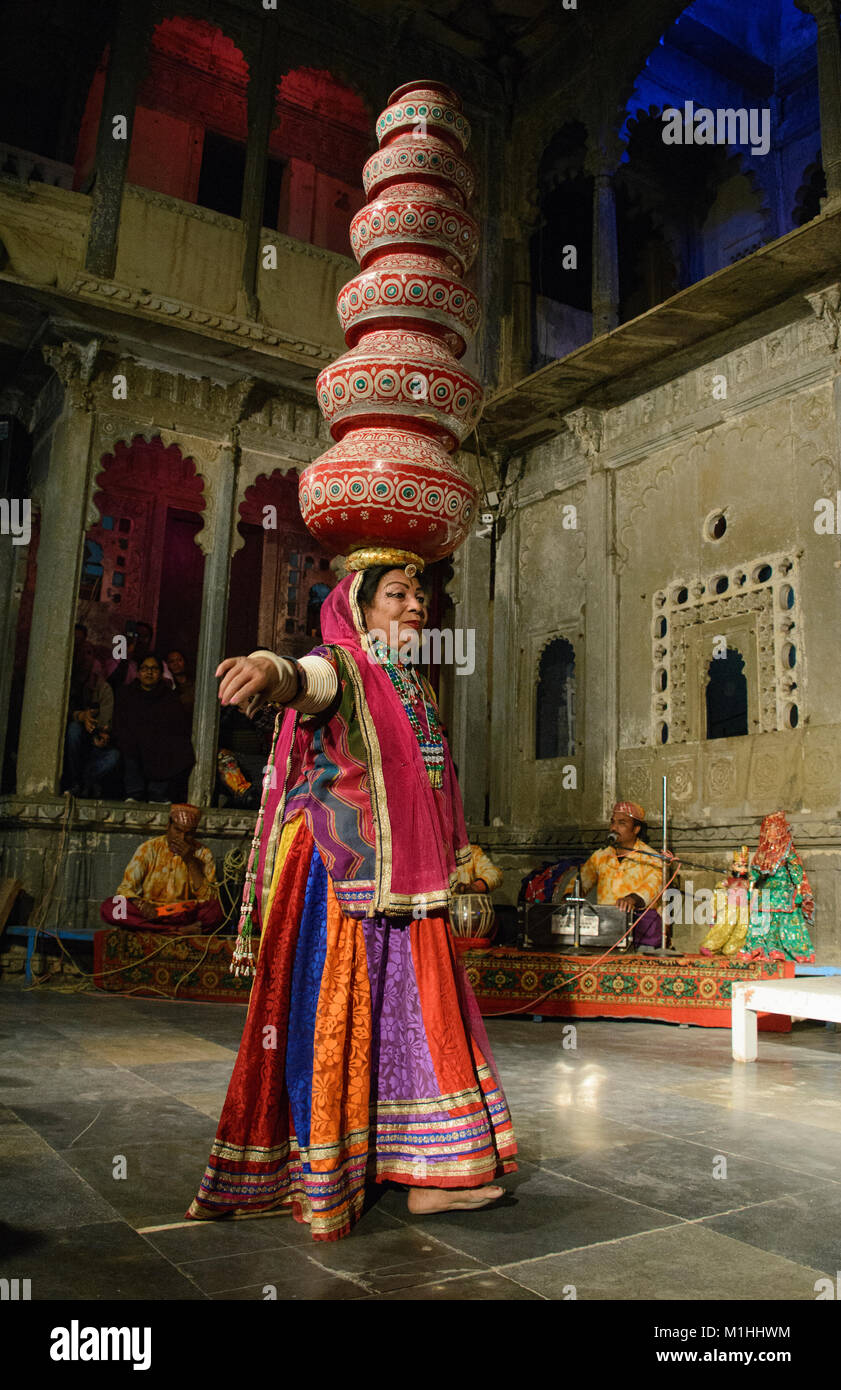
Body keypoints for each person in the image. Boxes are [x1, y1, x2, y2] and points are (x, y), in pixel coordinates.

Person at [187, 564, 516, 1241]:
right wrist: (267, 667)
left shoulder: (413, 686)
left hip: (410, 883)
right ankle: (346, 1166)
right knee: (347, 1020)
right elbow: (304, 683)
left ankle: (425, 1170)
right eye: (397, 595)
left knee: (411, 1021)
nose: (415, 605)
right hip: (349, 881)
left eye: (419, 594)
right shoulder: (342, 662)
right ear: (360, 612)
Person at [100, 803, 223, 931]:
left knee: (215, 911)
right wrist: (142, 905)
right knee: (111, 907)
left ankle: (157, 929)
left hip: (184, 913)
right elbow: (125, 888)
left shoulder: (203, 853)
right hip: (150, 912)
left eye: (189, 834)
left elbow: (209, 897)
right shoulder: (149, 848)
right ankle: (175, 930)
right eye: (178, 830)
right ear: (168, 827)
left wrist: (190, 861)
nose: (182, 838)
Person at [565, 800, 664, 948]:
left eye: (622, 823)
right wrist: (569, 896)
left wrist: (632, 899)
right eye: (613, 822)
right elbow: (580, 881)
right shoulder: (601, 856)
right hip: (605, 930)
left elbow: (653, 887)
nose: (614, 828)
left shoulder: (652, 858)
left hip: (639, 932)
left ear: (636, 829)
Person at [113, 653, 195, 801]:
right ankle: (134, 792)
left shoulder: (169, 696)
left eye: (154, 669)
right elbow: (120, 723)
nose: (149, 672)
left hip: (160, 742)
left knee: (177, 747)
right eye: (145, 668)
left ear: (161, 673)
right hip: (134, 741)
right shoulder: (126, 694)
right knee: (128, 744)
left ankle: (157, 793)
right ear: (138, 672)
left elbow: (177, 725)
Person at [740, 811, 815, 963]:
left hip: (784, 889)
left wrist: (799, 890)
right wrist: (749, 889)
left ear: (780, 829)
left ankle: (781, 950)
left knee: (779, 905)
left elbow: (796, 872)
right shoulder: (763, 852)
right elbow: (754, 873)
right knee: (762, 905)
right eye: (767, 829)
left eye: (773, 828)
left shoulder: (787, 850)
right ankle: (760, 948)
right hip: (766, 890)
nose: (769, 832)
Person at [63, 636, 121, 797]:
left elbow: (105, 722)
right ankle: (75, 782)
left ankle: (84, 782)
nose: (84, 657)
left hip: (93, 744)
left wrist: (101, 733)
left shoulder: (102, 687)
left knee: (113, 756)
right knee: (74, 730)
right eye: (80, 652)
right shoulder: (65, 681)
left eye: (88, 652)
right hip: (70, 744)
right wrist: (80, 716)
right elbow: (60, 711)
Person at [699, 846, 751, 957]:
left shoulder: (748, 882)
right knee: (724, 928)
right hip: (730, 908)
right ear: (733, 866)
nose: (742, 869)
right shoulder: (727, 881)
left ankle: (731, 949)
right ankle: (709, 946)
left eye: (745, 866)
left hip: (744, 909)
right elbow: (717, 894)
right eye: (739, 866)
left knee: (741, 931)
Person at [166, 649, 195, 714]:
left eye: (179, 660)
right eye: (172, 661)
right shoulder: (168, 686)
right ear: (167, 665)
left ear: (185, 662)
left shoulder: (195, 684)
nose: (176, 664)